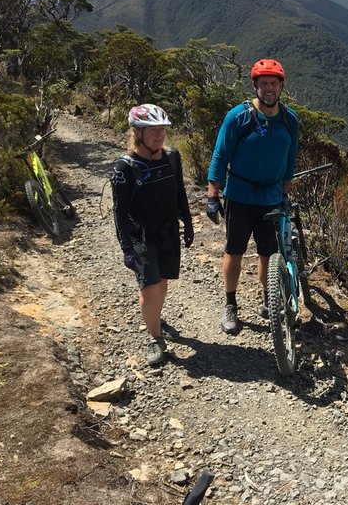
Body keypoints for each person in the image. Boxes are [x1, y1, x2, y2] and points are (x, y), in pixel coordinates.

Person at [206, 58, 299, 334]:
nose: (269, 88)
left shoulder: (289, 119)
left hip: (271, 197)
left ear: (281, 86)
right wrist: (213, 193)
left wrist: (284, 191)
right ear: (255, 86)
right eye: (263, 83)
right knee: (234, 251)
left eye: (274, 83)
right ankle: (230, 305)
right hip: (240, 195)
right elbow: (220, 155)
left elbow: (290, 159)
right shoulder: (239, 116)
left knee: (268, 255)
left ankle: (269, 300)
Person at [111, 104, 194, 366]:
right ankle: (155, 338)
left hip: (168, 230)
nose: (159, 136)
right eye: (152, 131)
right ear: (137, 132)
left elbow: (179, 191)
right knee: (150, 288)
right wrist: (126, 248)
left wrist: (188, 222)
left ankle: (155, 317)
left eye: (162, 130)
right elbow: (120, 212)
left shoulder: (172, 157)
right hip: (141, 236)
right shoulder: (125, 168)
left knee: (163, 281)